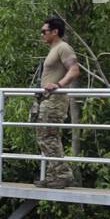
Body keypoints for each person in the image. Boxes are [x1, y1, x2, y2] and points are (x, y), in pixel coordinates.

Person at [33, 17, 81, 189]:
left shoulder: (63, 47)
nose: (42, 34)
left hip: (55, 100)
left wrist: (58, 85)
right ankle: (53, 175)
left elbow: (74, 71)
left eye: (44, 31)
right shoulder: (53, 49)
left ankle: (62, 174)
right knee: (45, 136)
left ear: (55, 32)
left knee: (48, 136)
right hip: (47, 100)